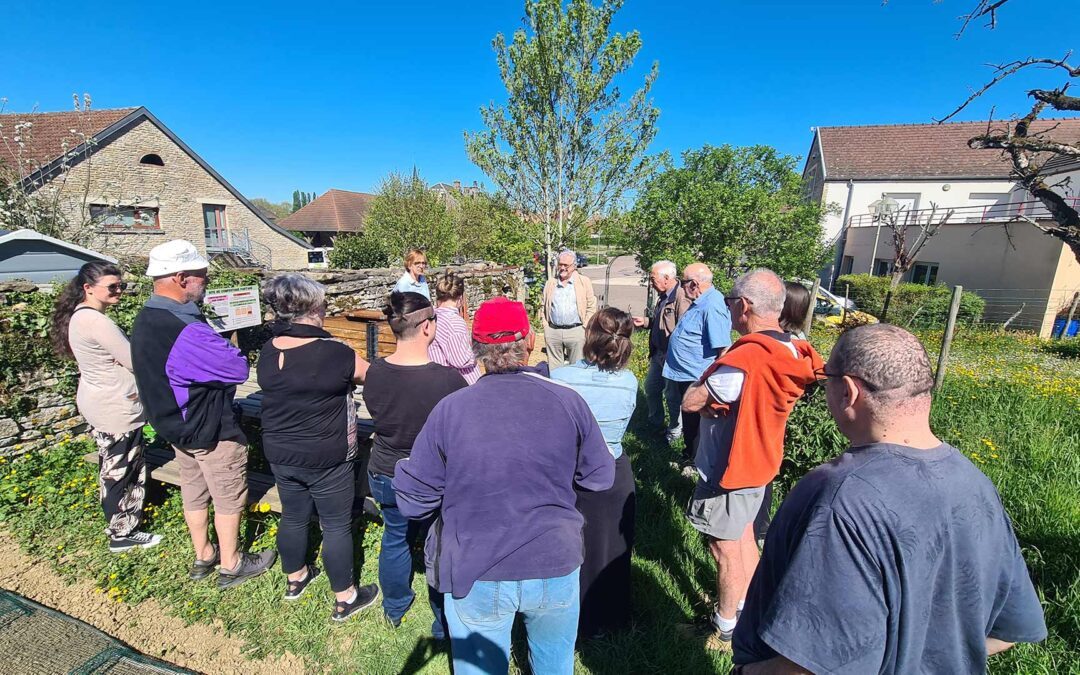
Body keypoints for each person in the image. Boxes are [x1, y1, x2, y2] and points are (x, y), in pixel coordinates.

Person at [733, 324, 1047, 673]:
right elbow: (1006, 632)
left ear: (848, 391)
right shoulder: (975, 483)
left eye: (826, 379)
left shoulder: (838, 497)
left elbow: (808, 667)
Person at [394, 297, 614, 675]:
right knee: (554, 665)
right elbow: (600, 477)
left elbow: (414, 502)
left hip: (475, 567)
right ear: (529, 341)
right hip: (554, 560)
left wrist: (405, 468)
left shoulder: (451, 409)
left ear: (475, 348)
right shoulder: (568, 402)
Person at [681, 269, 822, 651]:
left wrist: (705, 392)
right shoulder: (791, 347)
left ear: (743, 306)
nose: (728, 308)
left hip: (731, 465)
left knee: (723, 548)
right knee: (745, 538)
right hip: (762, 458)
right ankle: (751, 609)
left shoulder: (749, 356)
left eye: (730, 302)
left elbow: (692, 401)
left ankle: (726, 628)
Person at [130, 240, 276, 589]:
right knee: (227, 494)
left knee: (194, 489)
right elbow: (237, 367)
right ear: (181, 277)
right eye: (202, 275)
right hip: (209, 428)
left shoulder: (147, 317)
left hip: (174, 425)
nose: (206, 280)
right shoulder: (185, 330)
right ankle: (232, 563)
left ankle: (204, 553)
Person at [257, 273, 379, 621]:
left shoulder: (269, 349)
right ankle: (345, 596)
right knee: (336, 524)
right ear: (312, 308)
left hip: (280, 450)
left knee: (293, 514)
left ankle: (295, 577)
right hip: (326, 453)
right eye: (323, 305)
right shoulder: (333, 352)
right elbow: (371, 375)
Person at [364, 291, 468, 637]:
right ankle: (443, 619)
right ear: (426, 327)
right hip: (432, 475)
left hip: (386, 470)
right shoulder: (447, 380)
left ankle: (394, 606)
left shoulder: (375, 372)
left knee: (395, 536)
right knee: (438, 543)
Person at [51, 261, 161, 553]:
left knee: (113, 465)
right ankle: (121, 533)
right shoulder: (96, 321)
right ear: (88, 288)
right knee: (122, 470)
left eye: (120, 285)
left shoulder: (80, 316)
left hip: (100, 399)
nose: (119, 291)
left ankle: (121, 527)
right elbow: (134, 360)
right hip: (115, 405)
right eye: (112, 287)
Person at [551, 307, 638, 639]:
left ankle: (576, 619)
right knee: (614, 547)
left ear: (589, 336)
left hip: (574, 471)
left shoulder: (561, 379)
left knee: (576, 547)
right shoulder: (629, 383)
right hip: (614, 469)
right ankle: (612, 618)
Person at [752, 280, 813, 544]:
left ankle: (758, 528)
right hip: (779, 417)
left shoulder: (787, 344)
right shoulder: (797, 340)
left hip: (770, 416)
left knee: (762, 471)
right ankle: (760, 527)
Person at [662, 263, 731, 464]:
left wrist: (711, 383)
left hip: (697, 376)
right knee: (690, 419)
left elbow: (723, 349)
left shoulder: (712, 305)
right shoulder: (701, 302)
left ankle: (693, 461)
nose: (681, 287)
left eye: (682, 283)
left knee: (695, 421)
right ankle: (690, 455)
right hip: (687, 374)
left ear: (693, 284)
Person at [632, 261, 691, 444]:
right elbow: (662, 322)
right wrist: (646, 322)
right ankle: (655, 423)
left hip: (671, 357)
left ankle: (675, 430)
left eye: (653, 278)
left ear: (666, 278)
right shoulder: (664, 296)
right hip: (658, 354)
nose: (651, 282)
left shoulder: (681, 296)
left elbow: (684, 330)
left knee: (672, 396)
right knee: (651, 388)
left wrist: (673, 354)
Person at [541, 249, 597, 369]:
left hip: (576, 331)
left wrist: (584, 327)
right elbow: (543, 306)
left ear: (574, 266)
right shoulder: (550, 283)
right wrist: (546, 326)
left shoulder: (584, 282)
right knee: (554, 370)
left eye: (566, 265)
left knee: (577, 368)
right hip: (553, 331)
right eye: (560, 264)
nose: (562, 268)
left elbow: (591, 306)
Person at [428, 272, 480, 384]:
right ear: (460, 298)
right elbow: (461, 360)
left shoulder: (431, 319)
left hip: (440, 380)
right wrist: (478, 353)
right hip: (462, 383)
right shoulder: (454, 323)